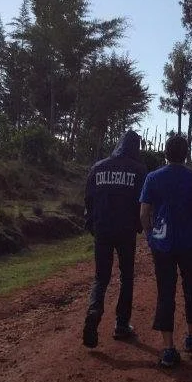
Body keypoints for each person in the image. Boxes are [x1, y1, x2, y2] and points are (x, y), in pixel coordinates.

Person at [139, 134, 192, 368]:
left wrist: (150, 236)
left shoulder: (152, 178)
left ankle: (168, 349)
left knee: (165, 292)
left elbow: (144, 213)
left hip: (163, 245)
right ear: (187, 153)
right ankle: (191, 336)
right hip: (189, 243)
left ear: (165, 153)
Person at [82, 130, 147, 348]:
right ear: (135, 147)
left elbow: (89, 200)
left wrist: (91, 223)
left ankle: (94, 311)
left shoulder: (98, 167)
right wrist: (141, 226)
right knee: (127, 276)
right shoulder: (138, 170)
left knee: (101, 277)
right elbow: (143, 203)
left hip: (102, 230)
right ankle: (121, 324)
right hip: (126, 231)